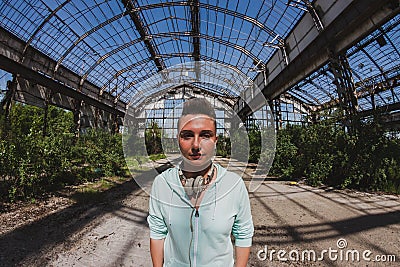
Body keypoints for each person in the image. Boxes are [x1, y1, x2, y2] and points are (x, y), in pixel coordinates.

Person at [147, 97, 254, 267]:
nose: (196, 145)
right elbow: (158, 234)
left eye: (205, 135)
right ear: (178, 140)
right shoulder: (162, 184)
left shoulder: (233, 185)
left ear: (215, 140)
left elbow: (243, 234)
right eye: (187, 135)